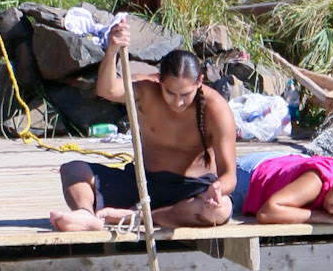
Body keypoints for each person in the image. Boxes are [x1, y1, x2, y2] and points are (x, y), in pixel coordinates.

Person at [50, 23, 236, 232]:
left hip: (191, 191)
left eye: (185, 95)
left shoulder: (216, 109)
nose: (177, 102)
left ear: (199, 82)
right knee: (73, 169)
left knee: (221, 210)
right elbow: (107, 89)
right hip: (143, 183)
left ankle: (140, 217)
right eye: (170, 93)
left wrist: (217, 188)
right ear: (159, 80)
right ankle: (85, 214)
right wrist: (112, 49)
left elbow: (229, 174)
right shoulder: (146, 91)